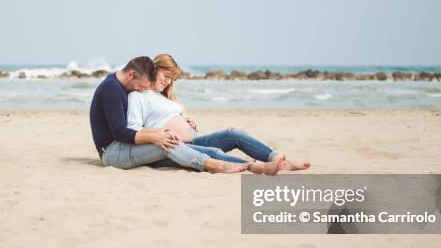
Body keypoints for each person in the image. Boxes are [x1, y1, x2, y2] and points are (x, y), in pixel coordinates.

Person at [126, 54, 311, 173]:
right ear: (154, 69)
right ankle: (259, 167)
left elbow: (167, 115)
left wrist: (184, 119)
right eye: (165, 76)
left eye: (171, 79)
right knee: (215, 153)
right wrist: (162, 133)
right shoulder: (138, 96)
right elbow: (134, 130)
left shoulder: (164, 96)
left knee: (234, 133)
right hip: (180, 148)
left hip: (196, 139)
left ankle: (276, 158)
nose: (167, 81)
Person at [89, 56, 248, 173]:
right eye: (140, 86)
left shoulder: (123, 86)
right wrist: (157, 136)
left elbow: (136, 125)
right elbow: (120, 132)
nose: (142, 90)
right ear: (130, 75)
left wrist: (162, 131)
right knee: (166, 144)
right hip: (112, 151)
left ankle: (243, 164)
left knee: (169, 144)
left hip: (124, 146)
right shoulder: (112, 89)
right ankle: (215, 165)